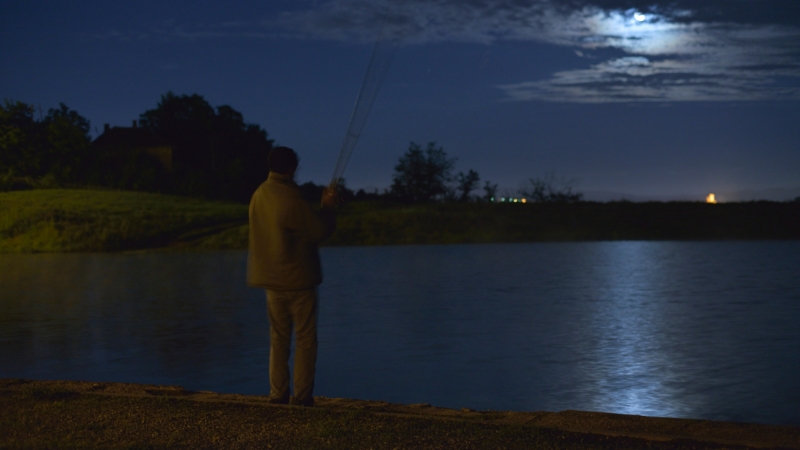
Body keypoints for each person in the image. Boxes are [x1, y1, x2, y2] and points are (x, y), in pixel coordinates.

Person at [247, 146, 337, 407]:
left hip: (271, 280)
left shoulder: (259, 194)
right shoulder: (290, 198)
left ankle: (277, 395)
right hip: (298, 281)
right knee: (306, 340)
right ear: (292, 168)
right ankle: (302, 397)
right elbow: (319, 231)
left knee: (278, 339)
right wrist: (328, 206)